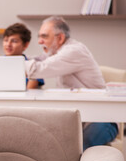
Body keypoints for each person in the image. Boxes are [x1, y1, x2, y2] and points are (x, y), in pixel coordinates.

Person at [24, 15, 118, 150]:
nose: (39, 41)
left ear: (60, 38)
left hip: (102, 119)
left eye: (44, 36)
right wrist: (13, 60)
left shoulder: (73, 51)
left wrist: (8, 63)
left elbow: (38, 69)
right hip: (81, 119)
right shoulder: (56, 53)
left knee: (78, 150)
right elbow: (37, 60)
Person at [0, 23, 44, 89]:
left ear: (25, 45)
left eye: (14, 41)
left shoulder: (33, 67)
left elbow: (29, 94)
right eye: (6, 40)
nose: (8, 44)